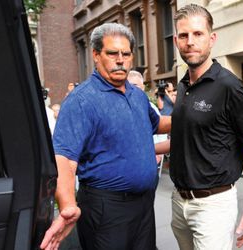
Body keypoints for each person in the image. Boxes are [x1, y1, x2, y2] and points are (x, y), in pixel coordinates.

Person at [40, 23, 170, 250]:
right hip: (106, 211)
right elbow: (64, 159)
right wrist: (68, 204)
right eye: (112, 53)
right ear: (96, 55)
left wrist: (193, 115)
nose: (120, 60)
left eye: (126, 53)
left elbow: (158, 124)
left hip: (144, 207)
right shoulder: (82, 100)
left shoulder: (137, 95)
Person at [169, 4, 243, 250]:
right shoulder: (182, 86)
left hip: (213, 205)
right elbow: (189, 137)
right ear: (176, 40)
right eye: (184, 35)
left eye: (198, 34)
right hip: (179, 202)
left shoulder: (230, 87)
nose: (190, 41)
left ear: (212, 38)